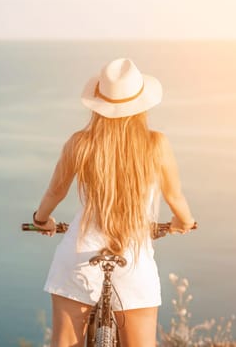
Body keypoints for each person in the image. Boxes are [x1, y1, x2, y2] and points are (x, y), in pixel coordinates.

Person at [32, 58, 196, 347]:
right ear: (142, 104)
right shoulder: (156, 145)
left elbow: (55, 192)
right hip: (132, 259)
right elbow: (175, 197)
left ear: (98, 102)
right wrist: (182, 223)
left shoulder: (80, 143)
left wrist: (41, 220)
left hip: (80, 253)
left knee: (65, 342)